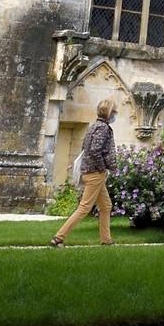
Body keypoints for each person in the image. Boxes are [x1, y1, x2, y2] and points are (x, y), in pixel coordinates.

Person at [52, 99, 119, 246]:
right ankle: (58, 238)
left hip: (91, 171)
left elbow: (86, 147)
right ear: (109, 113)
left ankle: (106, 241)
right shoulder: (103, 128)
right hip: (95, 173)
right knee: (84, 208)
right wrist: (103, 168)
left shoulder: (94, 126)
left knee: (106, 206)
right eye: (114, 112)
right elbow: (95, 150)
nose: (116, 114)